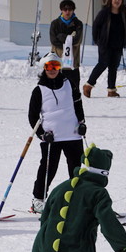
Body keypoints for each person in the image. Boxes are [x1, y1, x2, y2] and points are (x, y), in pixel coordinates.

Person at [28, 52, 87, 214]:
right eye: (49, 66)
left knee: (76, 168)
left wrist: (82, 123)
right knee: (48, 168)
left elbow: (78, 104)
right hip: (51, 137)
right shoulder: (39, 90)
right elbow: (33, 117)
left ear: (60, 67)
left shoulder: (69, 84)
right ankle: (38, 200)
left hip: (72, 134)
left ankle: (75, 198)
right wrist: (41, 134)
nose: (52, 70)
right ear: (44, 68)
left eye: (56, 66)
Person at [84, 0, 126, 98]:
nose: (117, 1)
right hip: (105, 44)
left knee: (113, 67)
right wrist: (97, 40)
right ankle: (88, 85)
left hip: (118, 44)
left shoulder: (124, 12)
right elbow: (96, 25)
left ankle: (111, 90)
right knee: (103, 64)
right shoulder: (105, 12)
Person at [49, 0, 84, 97]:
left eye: (70, 9)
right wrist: (68, 41)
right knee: (56, 90)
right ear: (61, 10)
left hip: (72, 63)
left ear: (73, 10)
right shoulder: (55, 24)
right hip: (58, 60)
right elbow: (53, 41)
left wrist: (62, 37)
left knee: (74, 90)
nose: (67, 12)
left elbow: (77, 40)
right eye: (65, 9)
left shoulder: (78, 24)